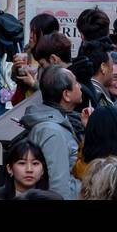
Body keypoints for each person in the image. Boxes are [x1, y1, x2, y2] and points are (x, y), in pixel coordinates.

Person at [23, 64, 83, 199]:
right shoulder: (51, 131)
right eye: (76, 82)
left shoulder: (60, 120)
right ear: (66, 95)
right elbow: (58, 186)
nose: (80, 86)